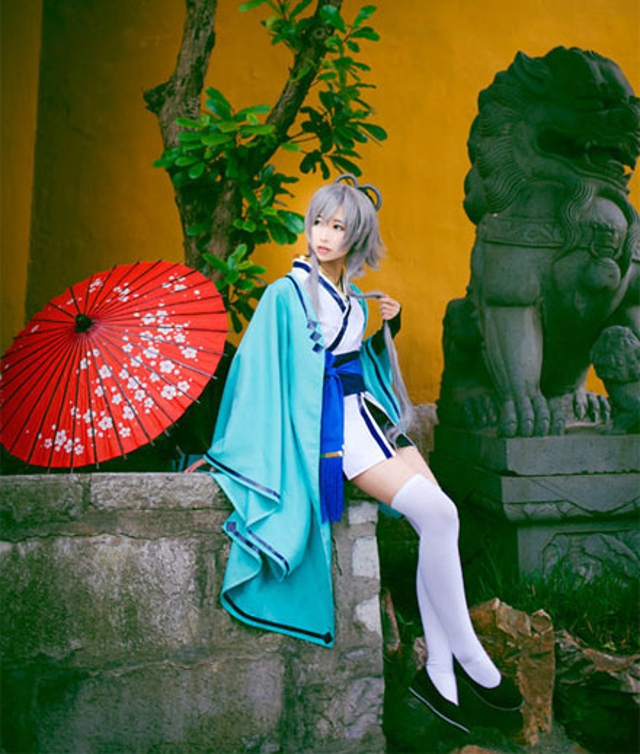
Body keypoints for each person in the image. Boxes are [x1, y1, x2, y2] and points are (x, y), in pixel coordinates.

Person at [186, 174, 523, 732]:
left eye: (338, 227)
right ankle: (471, 659)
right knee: (439, 515)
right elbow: (257, 372)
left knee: (439, 518)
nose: (323, 235)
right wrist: (231, 451)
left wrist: (386, 320)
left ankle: (440, 677)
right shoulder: (286, 294)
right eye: (318, 221)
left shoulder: (350, 297)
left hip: (368, 420)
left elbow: (357, 353)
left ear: (357, 236)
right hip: (332, 434)